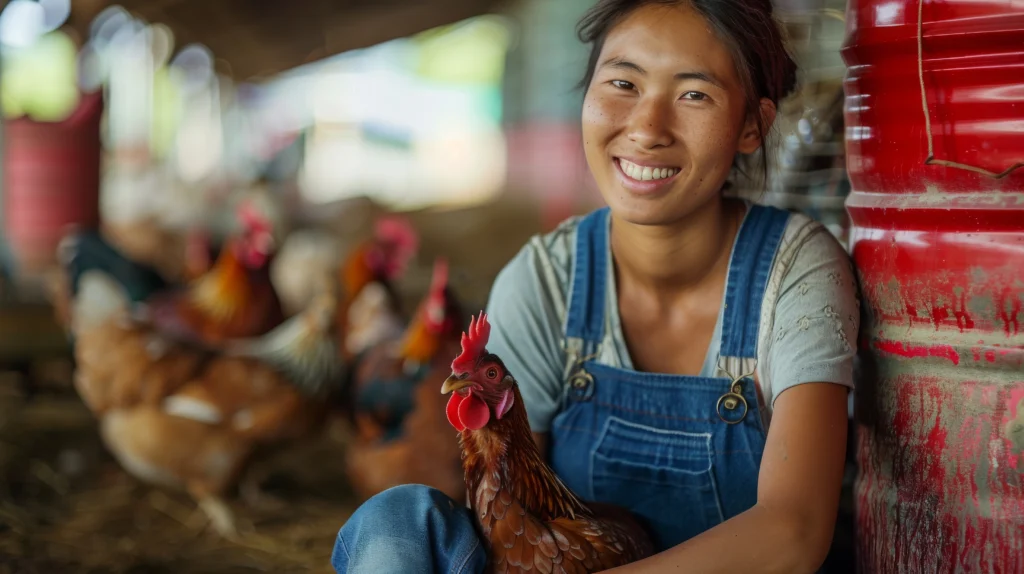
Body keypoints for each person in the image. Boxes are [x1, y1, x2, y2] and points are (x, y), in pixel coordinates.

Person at [332, 0, 859, 572]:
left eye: (693, 94)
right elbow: (509, 510)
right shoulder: (548, 279)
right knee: (400, 521)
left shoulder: (795, 271)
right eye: (623, 83)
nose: (647, 128)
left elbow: (795, 532)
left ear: (752, 125)